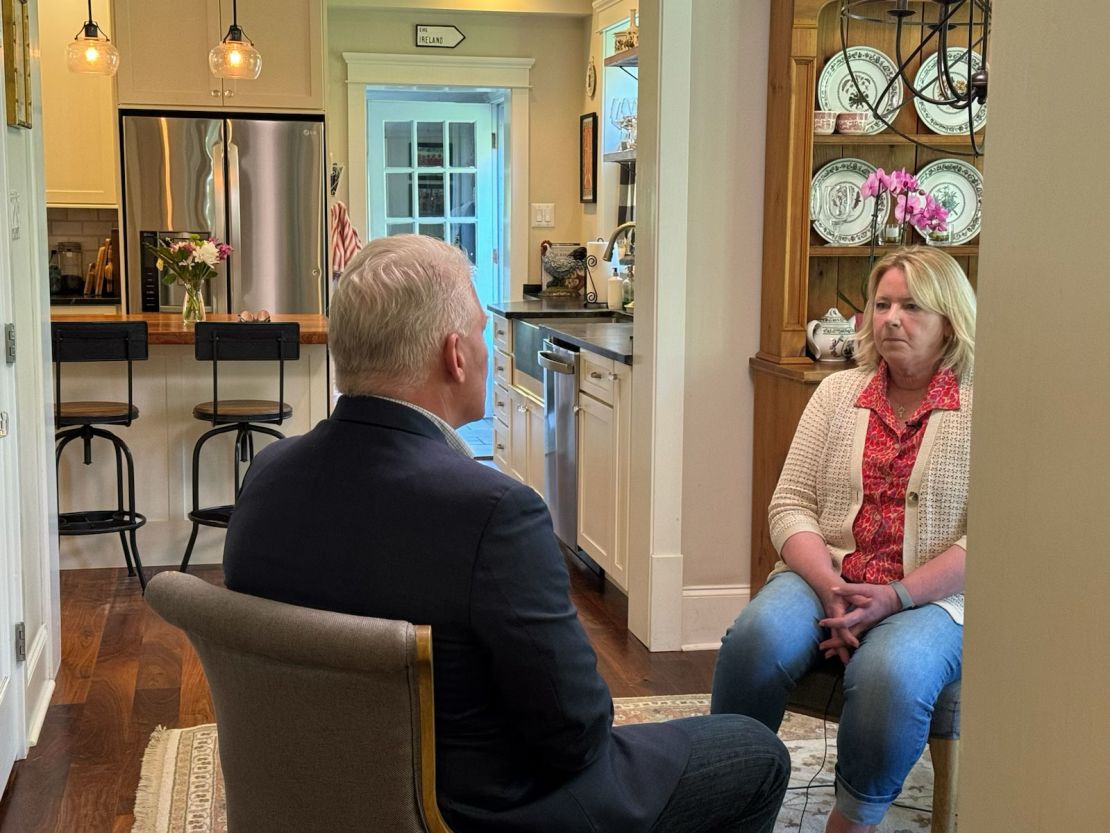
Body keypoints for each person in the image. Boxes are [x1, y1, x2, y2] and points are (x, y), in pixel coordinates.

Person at [223, 234, 788, 833]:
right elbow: (578, 736)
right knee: (752, 751)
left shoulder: (266, 478)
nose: (488, 348)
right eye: (482, 332)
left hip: (313, 798)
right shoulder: (492, 513)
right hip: (477, 813)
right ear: (455, 356)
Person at [711, 246, 975, 833]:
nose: (891, 319)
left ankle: (854, 820)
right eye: (881, 304)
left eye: (911, 306)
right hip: (827, 576)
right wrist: (832, 587)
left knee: (890, 675)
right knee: (755, 640)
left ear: (950, 320)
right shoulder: (835, 395)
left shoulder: (986, 408)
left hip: (933, 599)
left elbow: (988, 541)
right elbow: (789, 506)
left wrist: (895, 597)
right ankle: (725, 798)